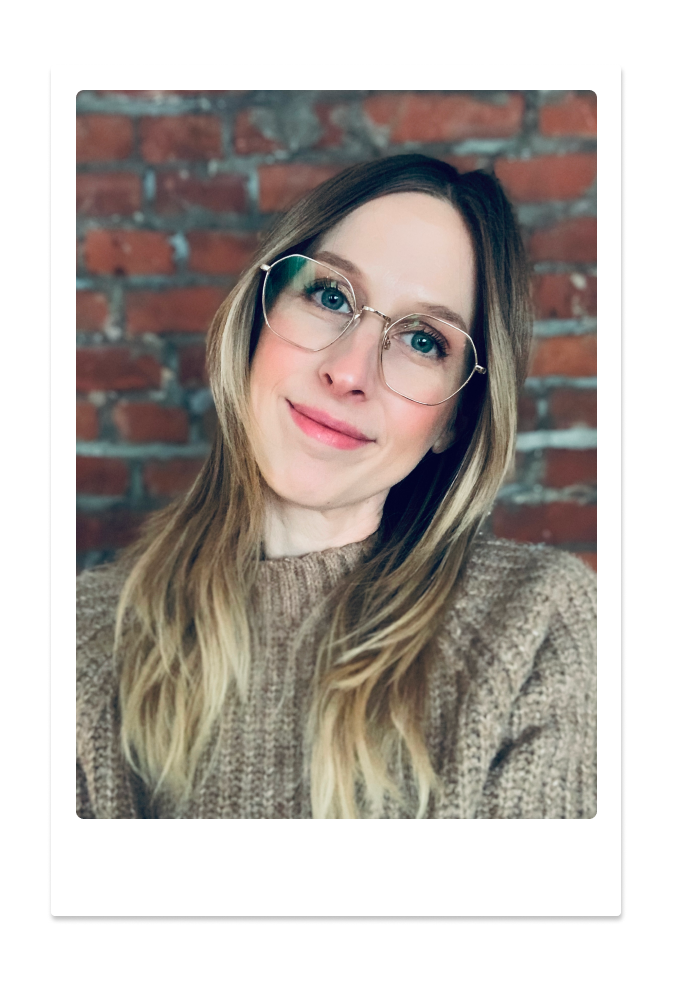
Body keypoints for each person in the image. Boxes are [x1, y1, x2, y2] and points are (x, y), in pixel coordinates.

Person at [77, 154, 596, 820]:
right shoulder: (78, 642)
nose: (350, 372)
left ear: (455, 419)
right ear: (259, 318)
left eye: (422, 340)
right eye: (330, 296)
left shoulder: (536, 630)